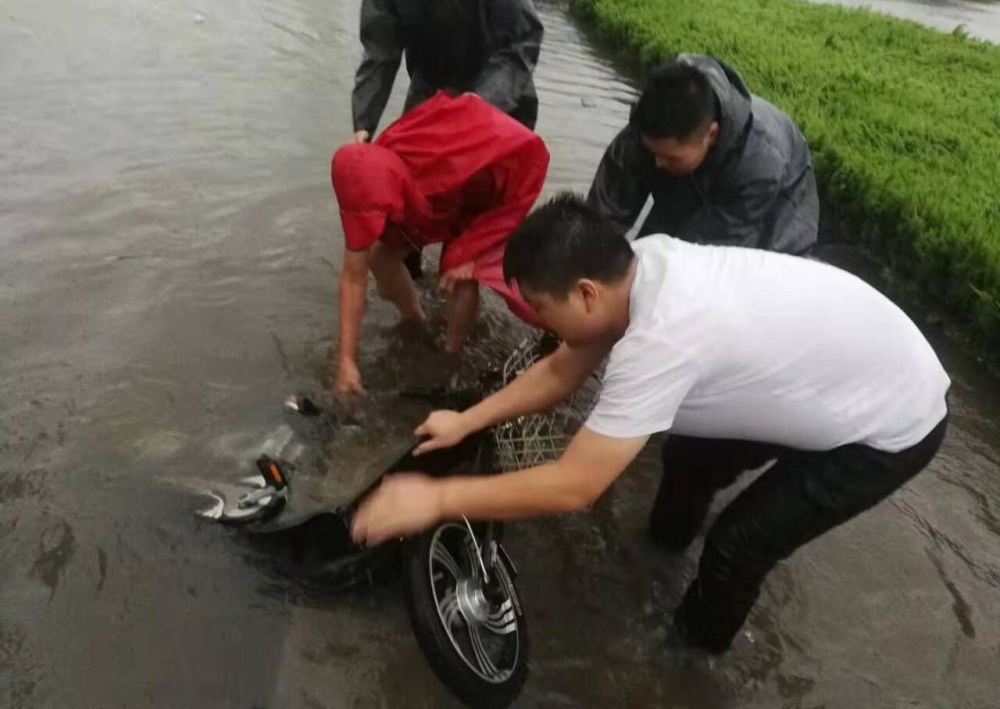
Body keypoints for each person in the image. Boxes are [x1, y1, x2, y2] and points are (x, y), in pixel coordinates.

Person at [350, 193, 950, 654]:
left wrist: (435, 499)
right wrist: (466, 421)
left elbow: (575, 487)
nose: (546, 327)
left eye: (545, 311)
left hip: (891, 423)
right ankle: (660, 556)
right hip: (831, 371)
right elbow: (562, 370)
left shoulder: (661, 338)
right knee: (688, 459)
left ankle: (690, 660)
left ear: (585, 292)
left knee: (736, 546)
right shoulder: (644, 263)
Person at [331, 92, 549, 395]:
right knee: (379, 257)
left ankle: (451, 355)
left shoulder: (460, 166)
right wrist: (346, 360)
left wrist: (469, 254)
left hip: (485, 192)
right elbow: (353, 275)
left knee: (460, 275)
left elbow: (517, 184)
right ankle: (415, 320)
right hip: (424, 191)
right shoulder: (367, 171)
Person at [588, 55, 819, 255]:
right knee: (642, 258)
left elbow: (710, 254)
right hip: (691, 181)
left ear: (711, 134)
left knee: (714, 284)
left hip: (774, 217)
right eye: (653, 153)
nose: (658, 162)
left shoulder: (762, 160)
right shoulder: (643, 128)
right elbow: (600, 221)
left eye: (671, 157)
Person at [352, 0, 543, 140]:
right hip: (431, 87)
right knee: (409, 162)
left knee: (486, 170)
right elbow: (380, 50)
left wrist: (483, 98)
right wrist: (363, 124)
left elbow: (524, 37)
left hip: (502, 91)